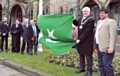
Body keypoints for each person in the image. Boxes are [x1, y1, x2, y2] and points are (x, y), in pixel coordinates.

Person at [95, 9, 117, 76]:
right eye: (100, 13)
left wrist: (111, 47)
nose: (101, 14)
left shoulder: (111, 22)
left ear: (107, 14)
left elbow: (113, 36)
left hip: (107, 48)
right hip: (99, 46)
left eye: (103, 13)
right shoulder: (99, 22)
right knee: (101, 65)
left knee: (106, 65)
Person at [73, 7, 94, 76]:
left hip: (87, 42)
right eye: (84, 11)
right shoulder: (81, 18)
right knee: (81, 55)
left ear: (89, 12)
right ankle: (82, 68)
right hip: (80, 41)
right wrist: (73, 19)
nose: (85, 12)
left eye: (86, 11)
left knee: (88, 57)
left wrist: (80, 39)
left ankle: (89, 72)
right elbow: (76, 24)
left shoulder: (91, 20)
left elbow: (87, 31)